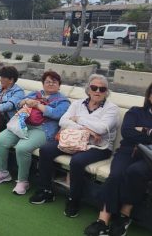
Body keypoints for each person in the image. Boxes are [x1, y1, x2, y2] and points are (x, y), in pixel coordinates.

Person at [84, 79, 152, 236]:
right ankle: (102, 220)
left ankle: (124, 216)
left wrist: (146, 130)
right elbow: (128, 133)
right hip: (128, 151)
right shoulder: (135, 112)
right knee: (116, 174)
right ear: (148, 95)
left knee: (135, 171)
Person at [30, 74, 119, 218]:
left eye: (102, 89)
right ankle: (46, 190)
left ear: (106, 92)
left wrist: (78, 119)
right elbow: (63, 121)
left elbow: (102, 129)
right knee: (46, 150)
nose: (97, 91)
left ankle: (74, 199)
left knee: (77, 161)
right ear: (88, 89)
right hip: (72, 140)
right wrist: (87, 130)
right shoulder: (78, 103)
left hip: (97, 147)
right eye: (94, 87)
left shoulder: (112, 109)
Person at [0, 70, 70, 195]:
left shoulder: (63, 101)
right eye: (48, 81)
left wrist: (37, 105)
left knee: (22, 148)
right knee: (2, 139)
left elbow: (56, 114)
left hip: (43, 129)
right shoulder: (35, 93)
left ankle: (22, 181)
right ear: (43, 83)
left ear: (59, 85)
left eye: (54, 82)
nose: (51, 84)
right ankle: (2, 172)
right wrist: (24, 102)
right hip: (23, 124)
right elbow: (18, 104)